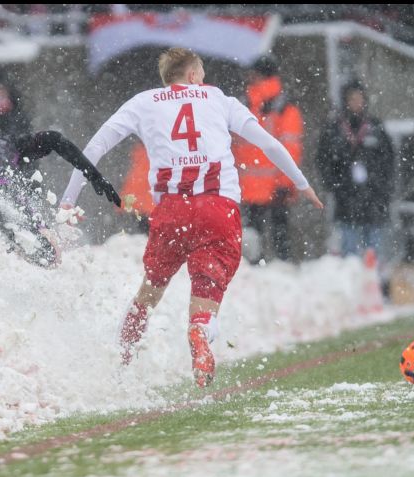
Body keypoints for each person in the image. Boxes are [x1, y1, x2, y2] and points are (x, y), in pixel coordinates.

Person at [60, 47, 323, 388]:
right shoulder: (219, 99)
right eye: (201, 71)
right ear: (193, 75)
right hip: (217, 207)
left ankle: (120, 355)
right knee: (208, 283)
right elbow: (270, 144)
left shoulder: (144, 102)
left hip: (172, 210)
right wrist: (302, 184)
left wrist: (68, 201)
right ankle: (200, 329)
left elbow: (93, 149)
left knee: (150, 291)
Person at [0, 131, 120, 288]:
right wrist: (94, 175)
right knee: (49, 252)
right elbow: (54, 139)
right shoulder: (9, 143)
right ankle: (14, 227)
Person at [234, 55, 305, 262]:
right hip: (263, 187)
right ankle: (274, 268)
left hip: (262, 187)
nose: (248, 77)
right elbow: (290, 150)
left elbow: (289, 150)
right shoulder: (278, 106)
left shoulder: (264, 106)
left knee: (261, 238)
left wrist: (284, 183)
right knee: (272, 236)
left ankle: (271, 269)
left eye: (253, 73)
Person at [315, 79, 394, 257]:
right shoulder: (334, 129)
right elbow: (323, 161)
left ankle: (373, 281)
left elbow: (388, 161)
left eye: (360, 99)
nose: (356, 103)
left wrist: (381, 187)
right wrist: (335, 186)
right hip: (345, 202)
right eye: (352, 99)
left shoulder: (376, 127)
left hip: (374, 202)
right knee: (349, 251)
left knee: (373, 254)